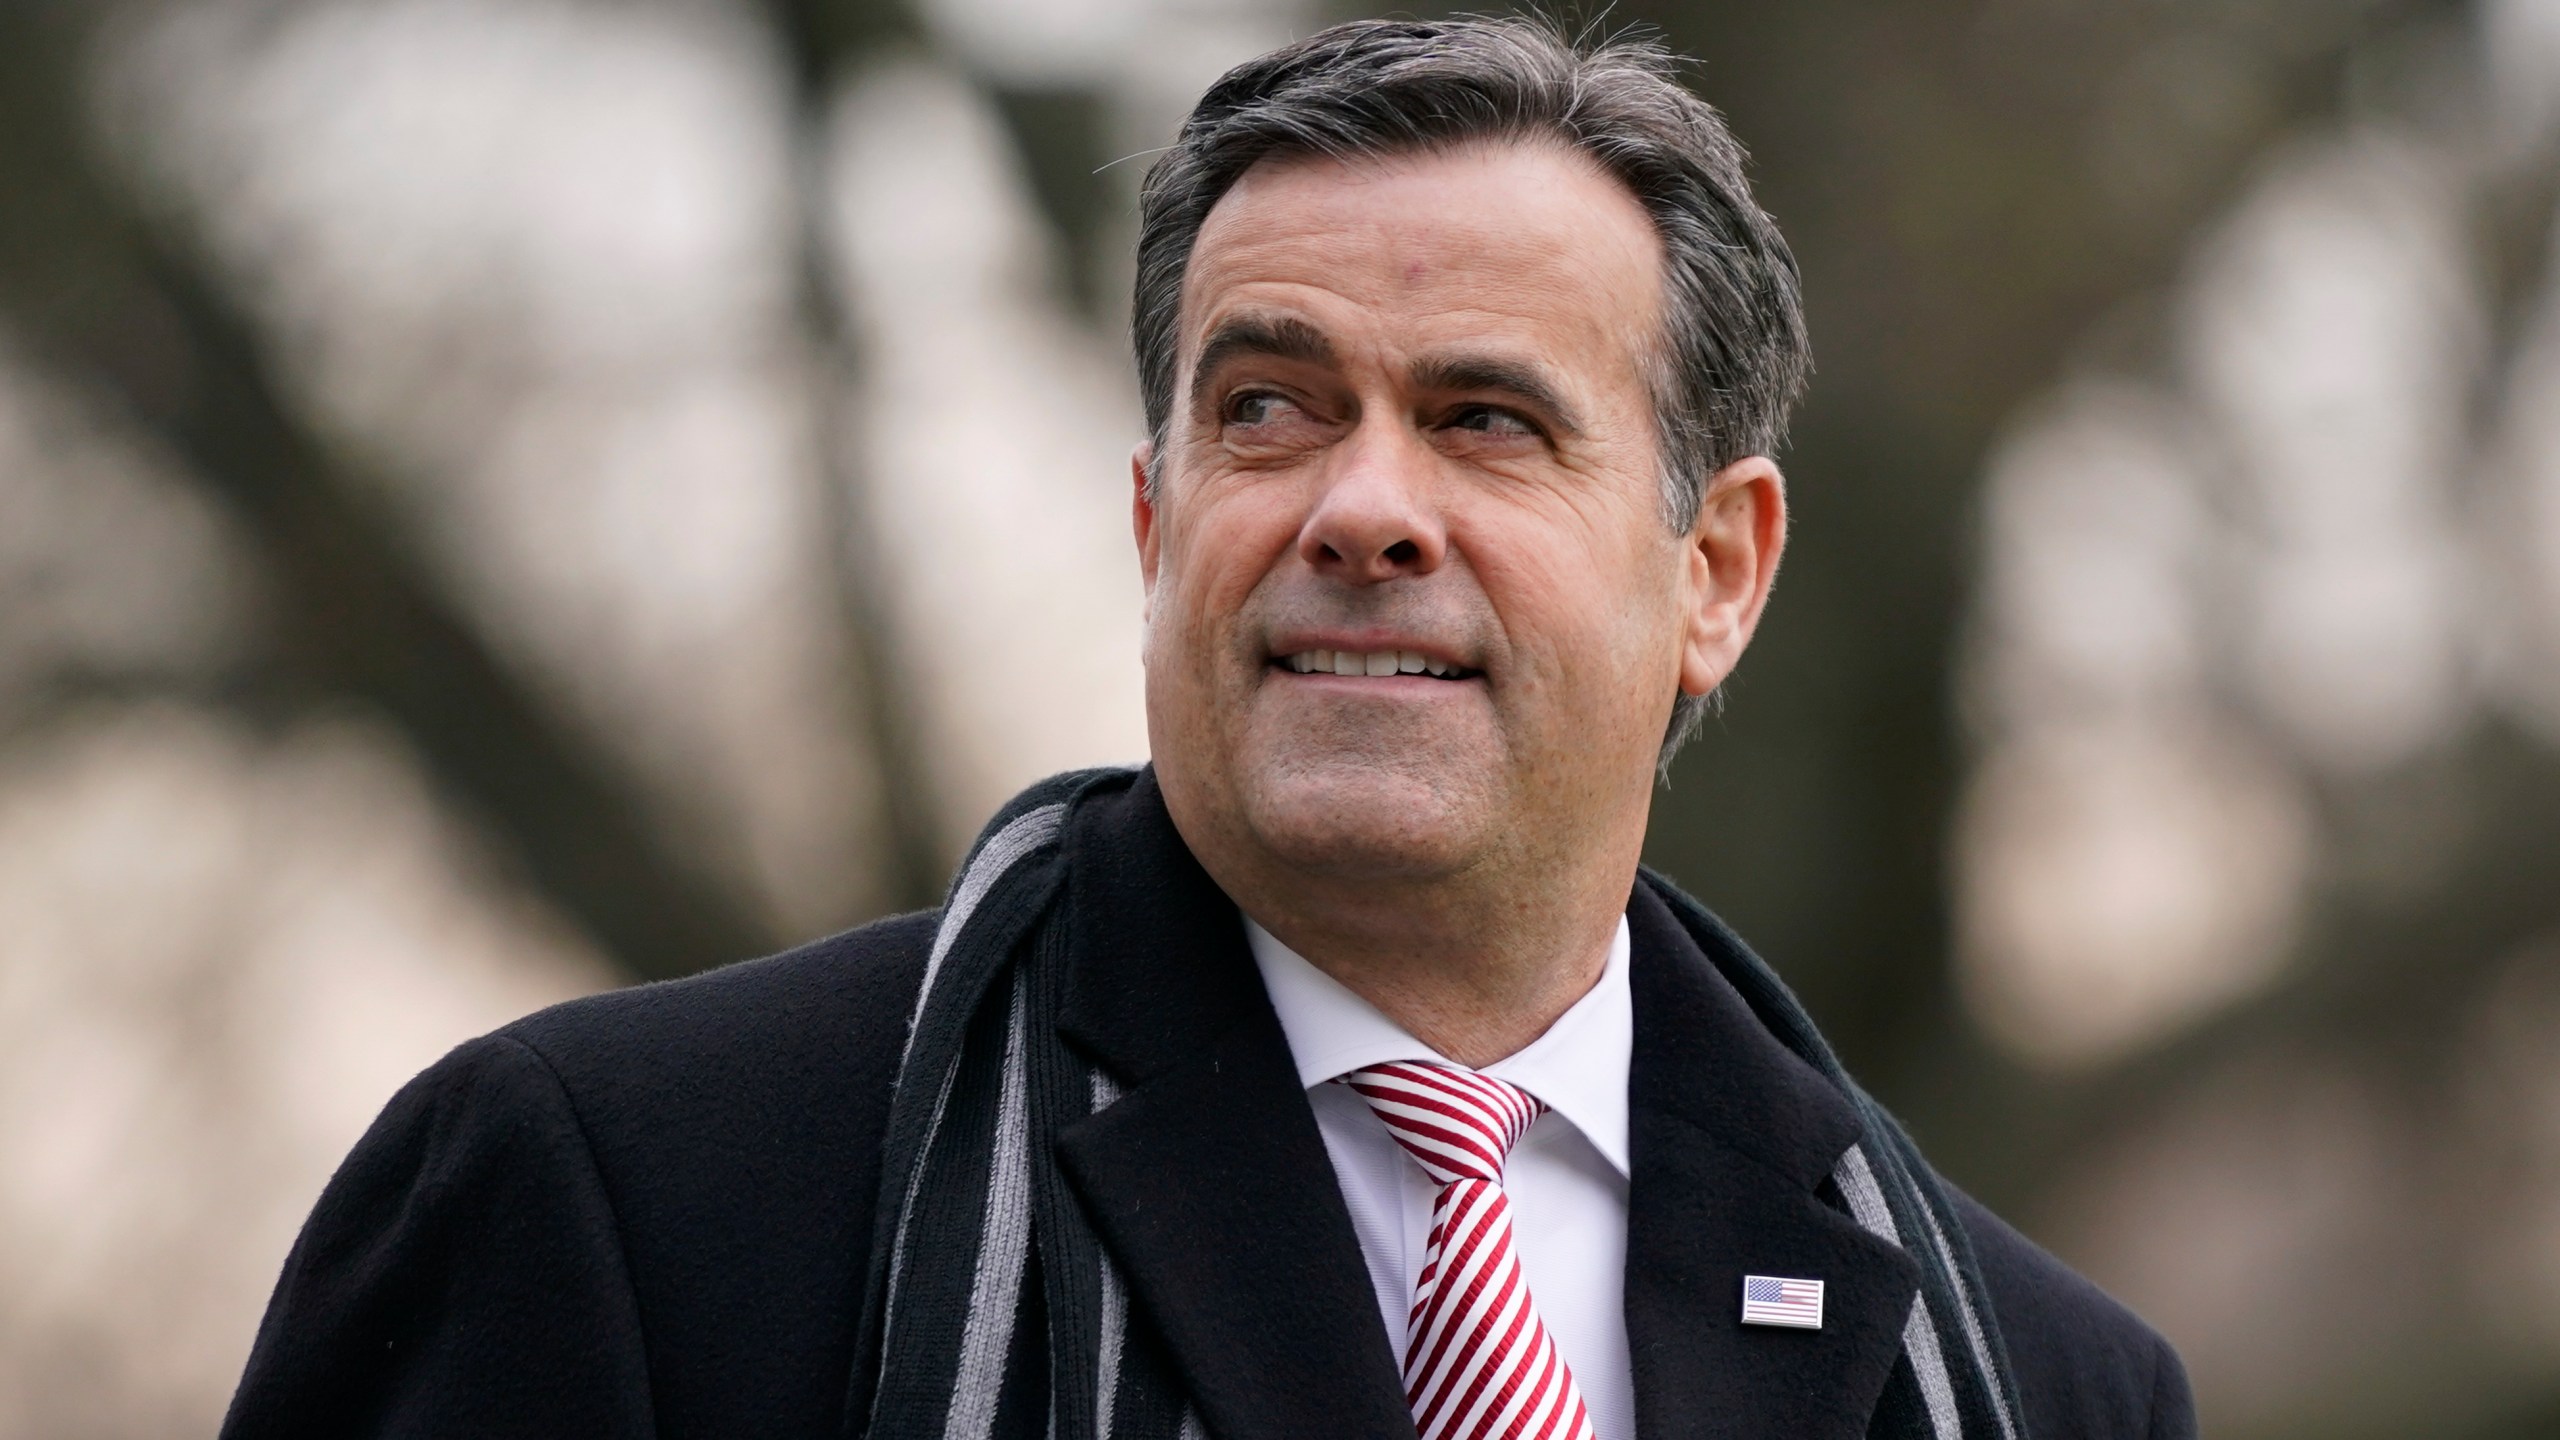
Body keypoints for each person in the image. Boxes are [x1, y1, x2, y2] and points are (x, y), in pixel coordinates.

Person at [222, 15, 2194, 1440]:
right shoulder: (622, 1207)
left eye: (1482, 420)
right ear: (1156, 525)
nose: (1358, 508)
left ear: (1716, 573)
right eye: (1266, 407)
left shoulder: (2043, 1385)